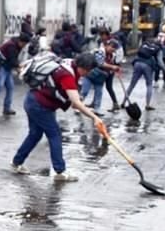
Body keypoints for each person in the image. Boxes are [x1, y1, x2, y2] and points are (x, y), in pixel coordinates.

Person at [10, 52, 106, 182]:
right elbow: (75, 103)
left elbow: (74, 99)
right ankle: (60, 171)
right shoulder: (67, 75)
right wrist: (94, 117)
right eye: (87, 70)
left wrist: (84, 106)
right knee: (54, 135)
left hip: (33, 100)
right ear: (82, 66)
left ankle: (16, 162)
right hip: (40, 105)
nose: (87, 73)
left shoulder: (68, 63)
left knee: (35, 134)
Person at [0, 32, 31, 116]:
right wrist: (20, 69)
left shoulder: (18, 45)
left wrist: (18, 69)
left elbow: (14, 60)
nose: (24, 46)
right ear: (20, 41)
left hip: (7, 66)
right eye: (24, 44)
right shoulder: (11, 46)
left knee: (10, 87)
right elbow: (13, 60)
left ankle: (7, 108)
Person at [125, 35, 165, 111]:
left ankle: (123, 102)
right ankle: (148, 105)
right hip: (147, 66)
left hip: (137, 63)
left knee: (132, 85)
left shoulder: (145, 44)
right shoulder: (158, 49)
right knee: (149, 85)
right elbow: (160, 62)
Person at [80, 39, 121, 113]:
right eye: (112, 47)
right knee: (84, 92)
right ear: (108, 45)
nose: (113, 50)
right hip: (90, 74)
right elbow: (100, 63)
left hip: (101, 77)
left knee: (99, 92)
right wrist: (112, 67)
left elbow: (112, 64)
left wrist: (114, 70)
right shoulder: (100, 51)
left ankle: (97, 109)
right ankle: (78, 106)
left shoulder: (112, 55)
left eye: (115, 49)